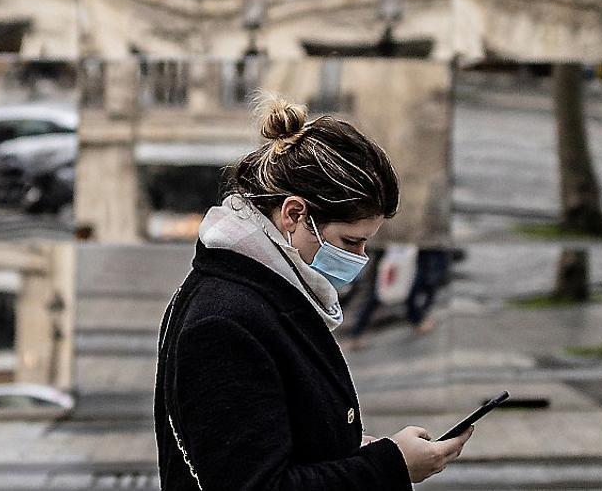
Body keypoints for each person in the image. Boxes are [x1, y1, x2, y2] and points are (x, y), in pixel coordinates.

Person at [155, 93, 472, 490]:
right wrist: (390, 466)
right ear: (293, 214)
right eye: (351, 241)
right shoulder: (225, 320)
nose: (361, 257)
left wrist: (351, 449)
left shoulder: (265, 292)